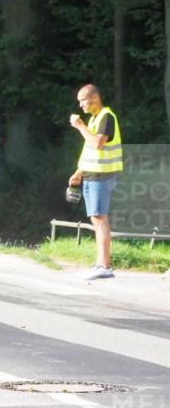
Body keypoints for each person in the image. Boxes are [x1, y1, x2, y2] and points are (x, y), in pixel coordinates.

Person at [68, 84, 122, 280]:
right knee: (95, 218)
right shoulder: (94, 119)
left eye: (83, 100)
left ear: (94, 98)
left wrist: (80, 125)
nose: (80, 104)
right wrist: (79, 172)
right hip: (91, 173)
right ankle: (100, 263)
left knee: (100, 218)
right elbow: (89, 150)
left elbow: (97, 144)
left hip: (102, 174)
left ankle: (105, 266)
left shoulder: (107, 116)